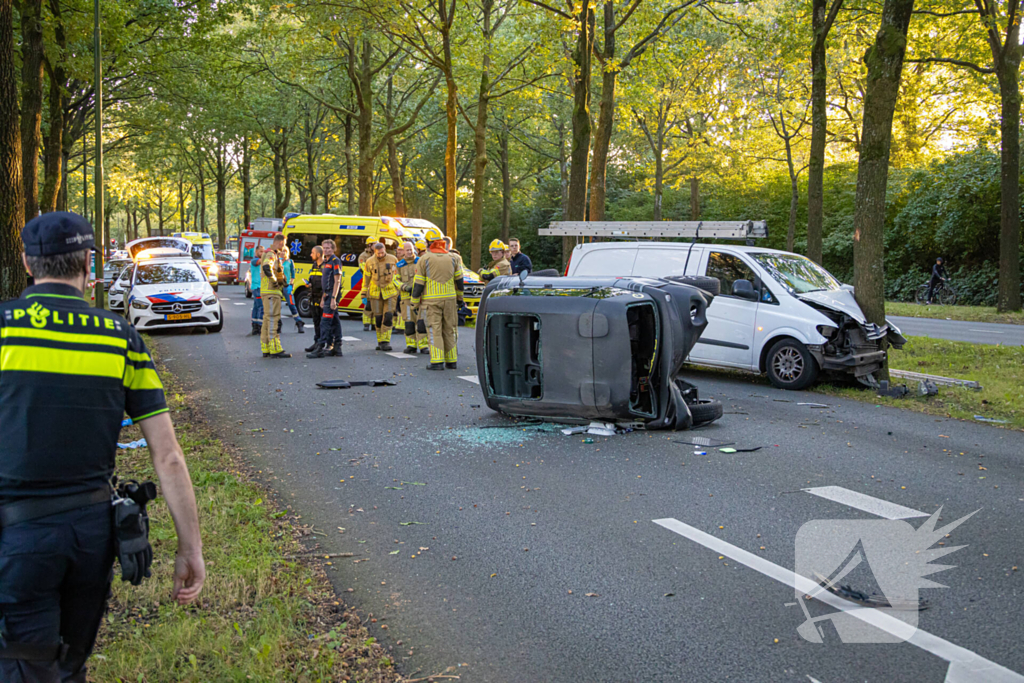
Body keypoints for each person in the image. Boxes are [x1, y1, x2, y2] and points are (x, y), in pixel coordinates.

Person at [0, 212, 204, 682]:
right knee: (71, 661)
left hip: (19, 536)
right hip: (92, 536)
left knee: (24, 662)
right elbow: (168, 454)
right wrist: (189, 547)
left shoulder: (6, 328)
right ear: (88, 266)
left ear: (29, 265)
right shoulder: (121, 339)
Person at [412, 227, 464, 370]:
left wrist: (414, 302)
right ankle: (451, 361)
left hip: (431, 301)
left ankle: (437, 361)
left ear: (429, 243)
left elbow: (418, 284)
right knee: (449, 329)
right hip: (450, 299)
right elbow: (460, 282)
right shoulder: (454, 258)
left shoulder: (424, 259)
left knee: (434, 329)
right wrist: (460, 299)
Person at [307, 239, 343, 358]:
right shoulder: (326, 261)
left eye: (329, 248)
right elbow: (325, 282)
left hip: (332, 294)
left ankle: (320, 348)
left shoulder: (335, 261)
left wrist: (333, 298)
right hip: (326, 294)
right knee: (334, 321)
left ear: (333, 249)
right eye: (325, 248)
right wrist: (323, 298)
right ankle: (337, 347)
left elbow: (337, 280)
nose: (326, 250)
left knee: (325, 322)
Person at [366, 241, 400, 351]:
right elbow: (366, 279)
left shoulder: (393, 259)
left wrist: (399, 288)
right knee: (378, 318)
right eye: (378, 253)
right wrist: (363, 293)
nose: (381, 255)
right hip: (375, 293)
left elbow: (397, 275)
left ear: (385, 250)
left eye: (382, 252)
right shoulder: (369, 261)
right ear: (374, 252)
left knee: (388, 316)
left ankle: (386, 341)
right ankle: (380, 340)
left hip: (390, 292)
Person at [260, 236, 290, 358]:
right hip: (272, 292)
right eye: (284, 244)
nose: (284, 248)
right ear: (281, 242)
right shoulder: (271, 254)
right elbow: (267, 267)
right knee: (273, 319)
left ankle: (266, 347)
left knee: (267, 320)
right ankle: (275, 348)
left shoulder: (270, 254)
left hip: (266, 292)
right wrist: (275, 282)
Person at [396, 241, 421, 354]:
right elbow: (395, 280)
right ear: (403, 252)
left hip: (420, 298)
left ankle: (424, 345)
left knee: (421, 322)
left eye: (411, 249)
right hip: (406, 298)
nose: (410, 252)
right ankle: (411, 345)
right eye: (407, 250)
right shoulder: (399, 265)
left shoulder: (420, 262)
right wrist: (404, 287)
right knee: (409, 323)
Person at [279, 247, 305, 334]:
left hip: (287, 286)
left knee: (291, 304)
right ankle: (278, 324)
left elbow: (293, 274)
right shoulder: (277, 261)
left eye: (284, 251)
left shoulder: (290, 262)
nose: (282, 253)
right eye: (281, 251)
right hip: (278, 286)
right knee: (277, 306)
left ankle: (299, 322)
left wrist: (290, 283)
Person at [303, 246, 324, 351]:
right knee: (316, 321)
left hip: (322, 299)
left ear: (318, 254)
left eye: (312, 253)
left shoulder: (325, 266)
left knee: (323, 322)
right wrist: (309, 284)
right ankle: (316, 342)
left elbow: (326, 284)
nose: (311, 255)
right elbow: (313, 279)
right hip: (314, 297)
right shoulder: (314, 265)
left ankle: (322, 344)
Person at [357, 238, 376, 331]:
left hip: (376, 282)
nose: (376, 246)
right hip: (368, 283)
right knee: (368, 305)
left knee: (375, 303)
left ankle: (374, 324)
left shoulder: (377, 255)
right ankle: (366, 323)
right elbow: (363, 268)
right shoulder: (363, 256)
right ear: (369, 245)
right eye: (374, 244)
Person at [249, 245, 264, 335]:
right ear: (256, 252)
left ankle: (255, 325)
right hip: (257, 287)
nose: (262, 253)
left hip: (260, 286)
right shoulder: (254, 260)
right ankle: (259, 325)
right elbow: (260, 261)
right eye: (260, 252)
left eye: (263, 252)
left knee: (256, 307)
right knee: (261, 307)